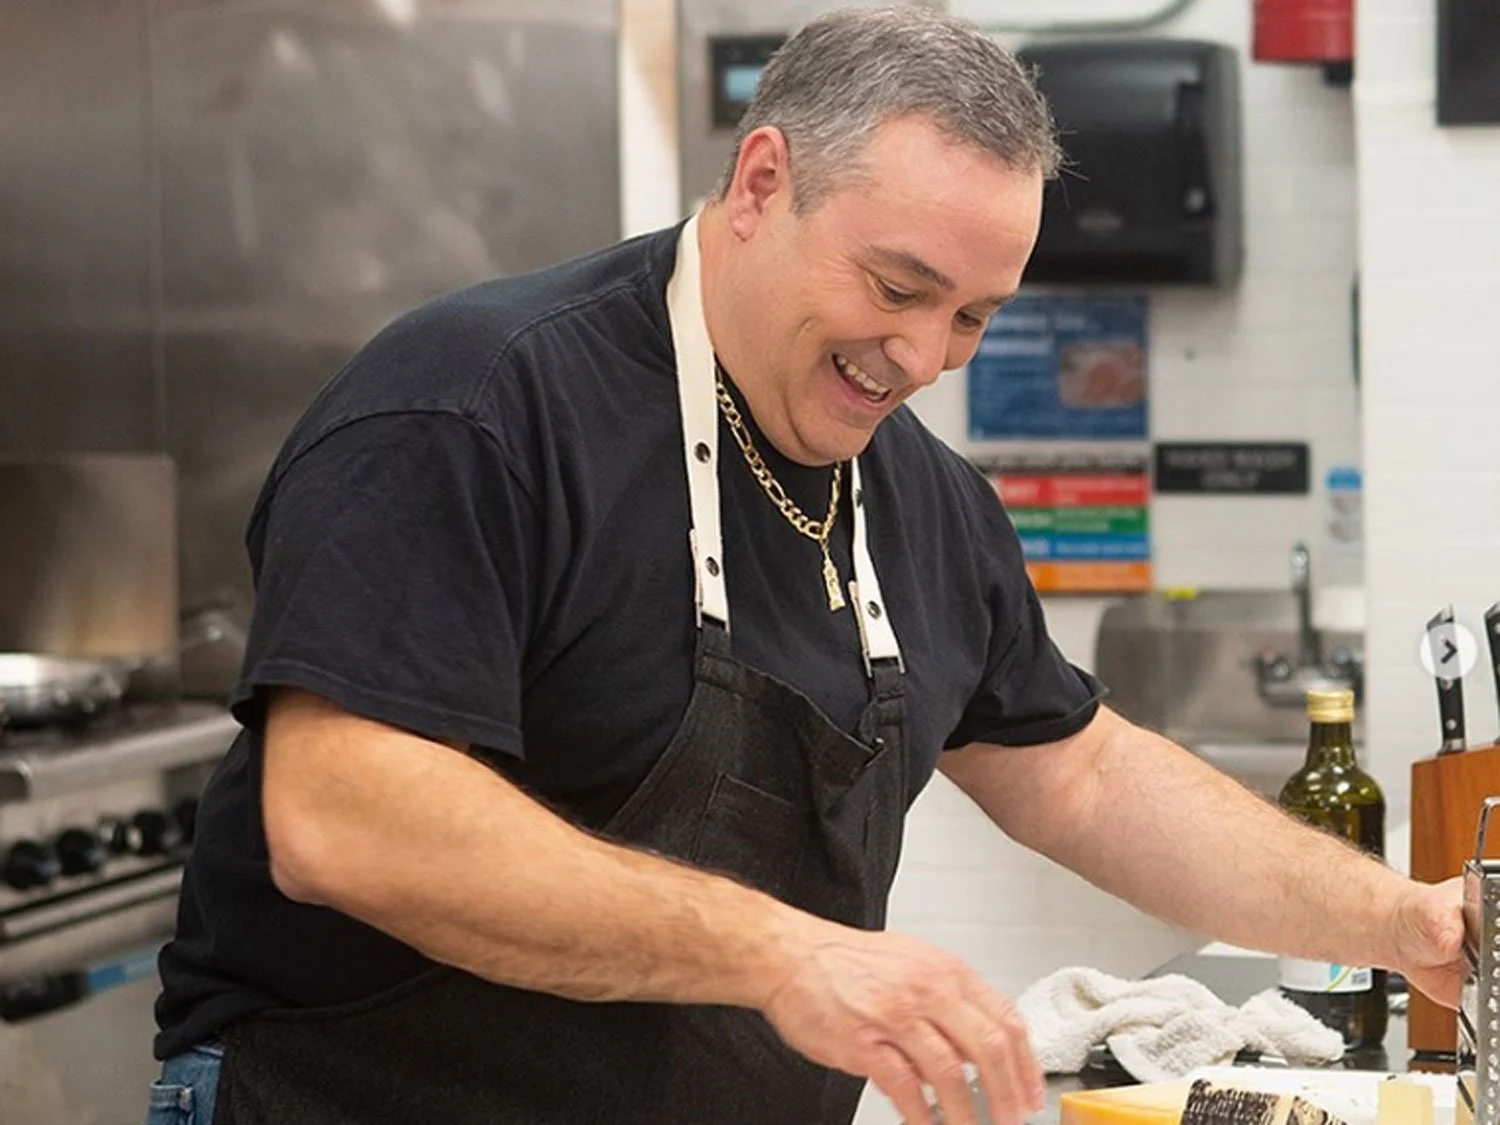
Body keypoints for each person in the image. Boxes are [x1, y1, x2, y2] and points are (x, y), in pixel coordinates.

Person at [144, 7, 1465, 1125]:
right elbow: (344, 821)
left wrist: (1403, 924)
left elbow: (1088, 777)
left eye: (973, 317)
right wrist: (780, 954)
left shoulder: (925, 503)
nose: (924, 358)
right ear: (764, 180)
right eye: (896, 288)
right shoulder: (478, 404)